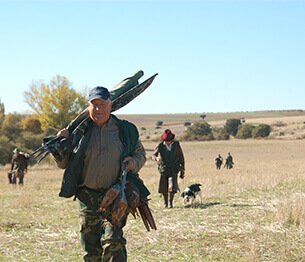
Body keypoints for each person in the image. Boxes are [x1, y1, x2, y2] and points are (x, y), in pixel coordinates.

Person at [54, 86, 147, 262]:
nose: (98, 109)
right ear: (88, 106)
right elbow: (63, 164)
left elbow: (140, 154)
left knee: (114, 242)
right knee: (91, 251)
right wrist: (61, 145)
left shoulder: (125, 130)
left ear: (110, 105)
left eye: (102, 104)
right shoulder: (78, 132)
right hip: (87, 197)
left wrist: (133, 163)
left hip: (115, 195)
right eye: (94, 105)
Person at [152, 129, 185, 208]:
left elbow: (181, 156)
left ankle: (170, 203)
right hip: (163, 169)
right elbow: (153, 155)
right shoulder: (160, 146)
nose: (168, 142)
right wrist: (156, 158)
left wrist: (183, 169)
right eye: (166, 141)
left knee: (172, 186)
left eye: (169, 140)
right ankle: (165, 203)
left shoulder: (176, 145)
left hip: (174, 168)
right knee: (163, 187)